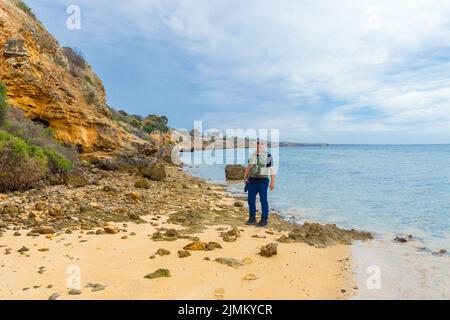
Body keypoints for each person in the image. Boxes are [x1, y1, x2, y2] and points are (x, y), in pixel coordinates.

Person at [243, 140, 275, 227]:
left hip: (263, 182)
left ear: (264, 146)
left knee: (263, 200)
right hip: (252, 181)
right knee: (250, 200)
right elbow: (249, 166)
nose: (259, 147)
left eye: (260, 145)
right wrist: (244, 177)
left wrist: (272, 182)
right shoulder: (252, 155)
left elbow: (272, 169)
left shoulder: (268, 156)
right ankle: (252, 218)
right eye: (257, 146)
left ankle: (264, 219)